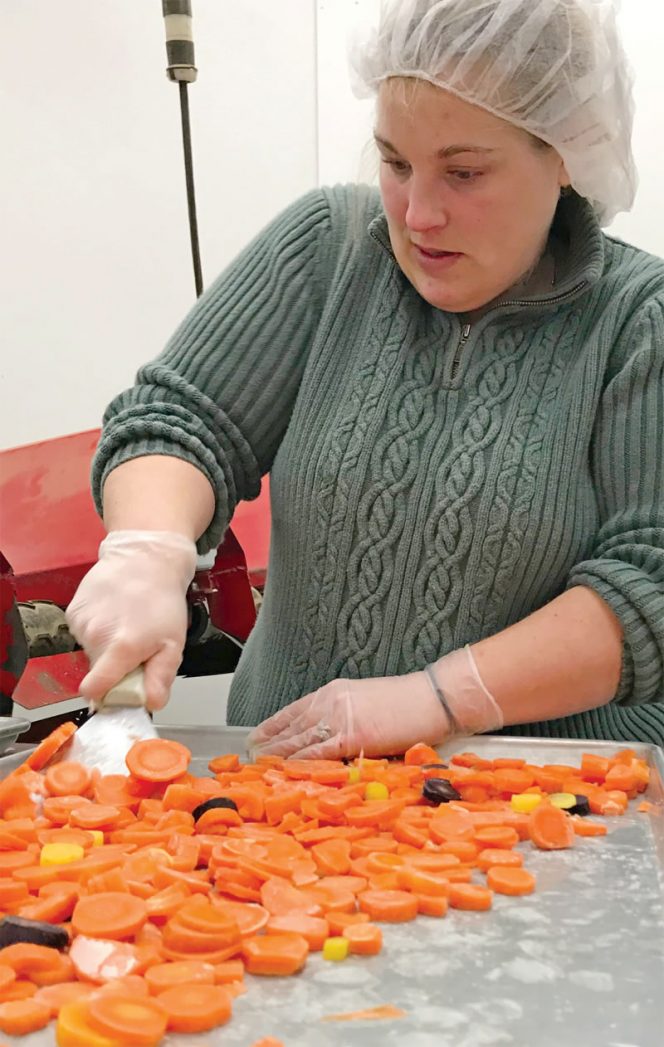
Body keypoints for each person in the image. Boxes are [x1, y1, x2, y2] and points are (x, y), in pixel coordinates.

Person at [67, 0, 664, 759]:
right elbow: (180, 418)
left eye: (464, 172)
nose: (418, 213)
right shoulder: (328, 249)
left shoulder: (640, 320)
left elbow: (651, 584)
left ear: (568, 153)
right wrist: (147, 547)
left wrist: (442, 698)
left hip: (546, 802)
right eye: (395, 162)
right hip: (282, 792)